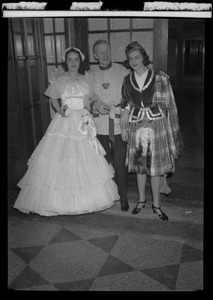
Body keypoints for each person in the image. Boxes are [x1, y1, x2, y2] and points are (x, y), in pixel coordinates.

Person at [13, 47, 120, 216]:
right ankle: (56, 201)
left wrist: (89, 112)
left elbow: (87, 100)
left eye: (76, 59)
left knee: (83, 156)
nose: (73, 63)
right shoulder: (59, 79)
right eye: (70, 59)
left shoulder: (86, 79)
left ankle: (84, 199)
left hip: (81, 120)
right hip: (64, 120)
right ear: (65, 62)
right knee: (60, 155)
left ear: (80, 61)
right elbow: (53, 98)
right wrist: (59, 110)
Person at [120, 41, 184, 221]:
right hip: (137, 126)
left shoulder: (158, 77)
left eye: (137, 57)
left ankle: (156, 205)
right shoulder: (127, 80)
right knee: (141, 167)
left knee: (155, 169)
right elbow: (125, 100)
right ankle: (141, 201)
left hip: (156, 126)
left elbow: (166, 104)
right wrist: (125, 115)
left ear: (144, 58)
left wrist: (152, 114)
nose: (134, 61)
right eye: (130, 58)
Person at [87, 39, 130, 212]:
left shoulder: (122, 71)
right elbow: (86, 97)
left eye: (107, 51)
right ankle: (108, 195)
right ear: (95, 55)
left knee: (120, 162)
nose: (104, 55)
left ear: (110, 51)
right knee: (103, 162)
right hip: (98, 125)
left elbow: (130, 94)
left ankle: (124, 197)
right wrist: (95, 105)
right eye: (100, 52)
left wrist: (119, 105)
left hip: (118, 123)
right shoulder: (90, 74)